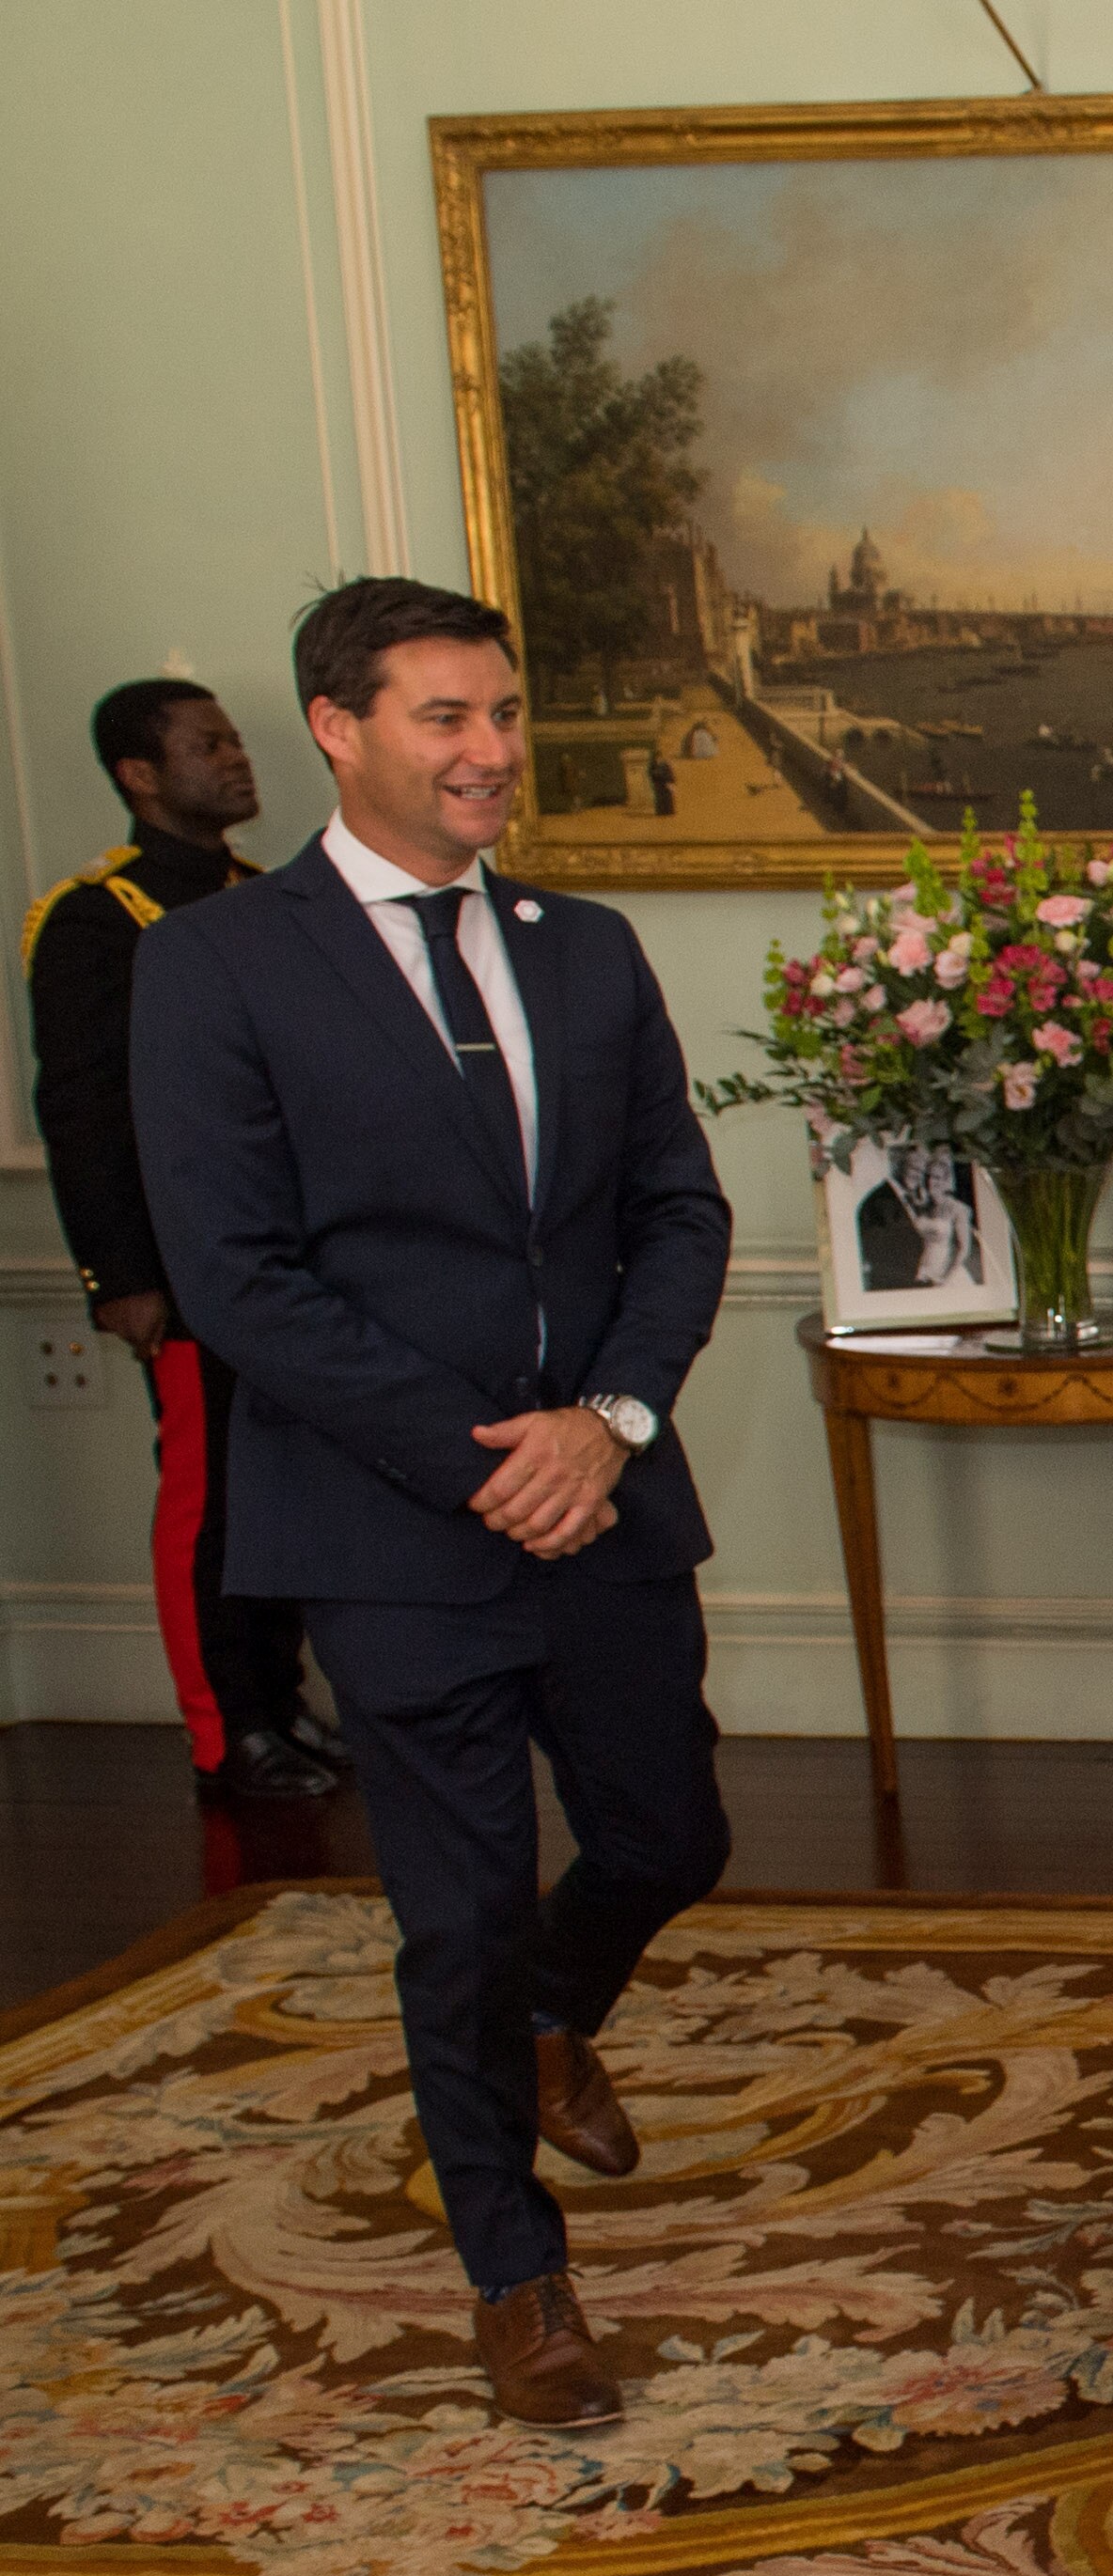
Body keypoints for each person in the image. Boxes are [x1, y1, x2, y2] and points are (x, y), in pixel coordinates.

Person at [132, 579, 734, 2431]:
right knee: (455, 1912)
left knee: (669, 1832)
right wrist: (498, 1456)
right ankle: (513, 2263)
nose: (489, 754)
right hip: (395, 1533)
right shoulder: (219, 964)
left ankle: (566, 2009)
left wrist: (610, 1421)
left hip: (610, 1497)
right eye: (444, 718)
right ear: (338, 724)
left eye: (503, 715)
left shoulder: (585, 945)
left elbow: (678, 1211)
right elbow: (238, 1277)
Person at [23, 679, 337, 1801]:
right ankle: (225, 1730)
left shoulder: (266, 898)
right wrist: (122, 1275)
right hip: (187, 1269)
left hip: (295, 1261)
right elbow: (85, 1106)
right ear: (140, 776)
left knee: (286, 1494)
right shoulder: (98, 918)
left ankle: (285, 1704)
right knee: (205, 1504)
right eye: (207, 745)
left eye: (238, 739)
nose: (237, 759)